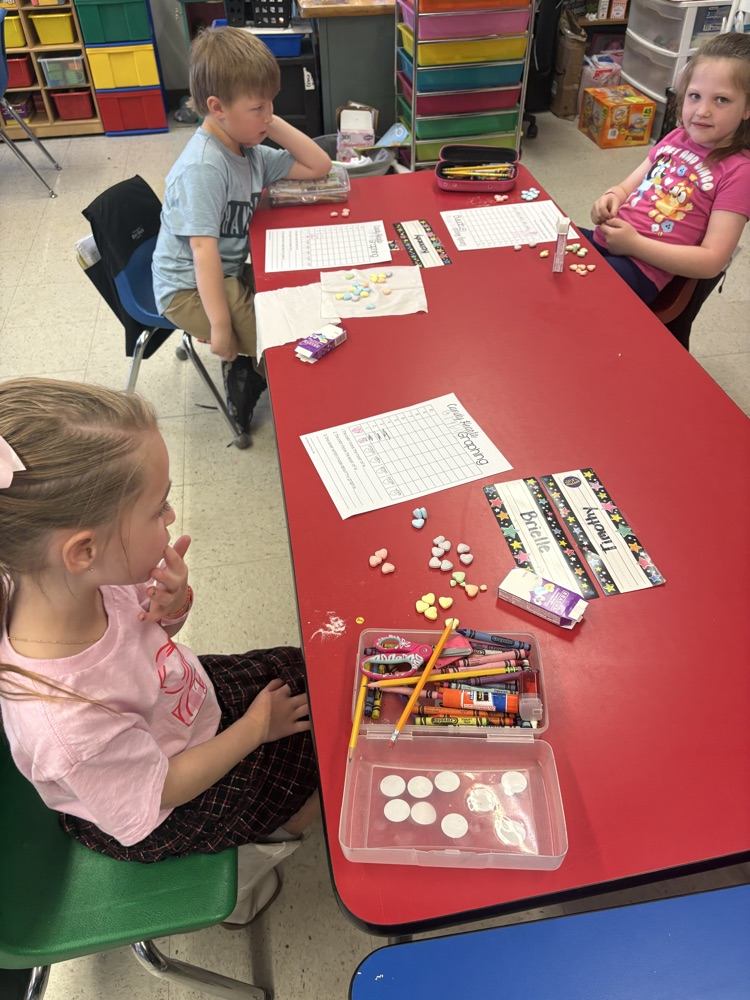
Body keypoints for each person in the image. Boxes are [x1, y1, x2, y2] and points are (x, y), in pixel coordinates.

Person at [0, 379, 319, 926]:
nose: (171, 519)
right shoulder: (65, 724)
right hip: (164, 798)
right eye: (158, 508)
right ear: (83, 550)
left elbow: (151, 638)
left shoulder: (80, 580)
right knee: (317, 771)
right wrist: (253, 730)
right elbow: (159, 789)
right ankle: (247, 876)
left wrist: (172, 603)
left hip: (179, 711)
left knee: (303, 669)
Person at [152, 27, 332, 432]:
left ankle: (250, 364)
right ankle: (279, 390)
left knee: (296, 294)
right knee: (285, 348)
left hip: (224, 275)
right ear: (217, 107)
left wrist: (266, 118)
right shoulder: (204, 167)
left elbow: (319, 166)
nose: (268, 115)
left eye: (272, 103)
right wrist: (220, 329)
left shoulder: (246, 149)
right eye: (257, 108)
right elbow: (202, 252)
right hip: (188, 290)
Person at [583, 32, 750, 306]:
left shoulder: (739, 172)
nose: (702, 111)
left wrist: (634, 245)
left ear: (747, 108)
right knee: (544, 246)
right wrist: (608, 199)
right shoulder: (676, 138)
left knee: (578, 294)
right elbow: (626, 188)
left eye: (721, 100)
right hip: (607, 242)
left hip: (641, 271)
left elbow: (711, 261)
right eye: (695, 96)